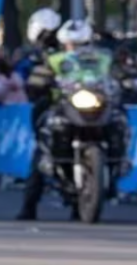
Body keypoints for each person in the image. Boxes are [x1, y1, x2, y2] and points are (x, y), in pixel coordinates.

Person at [16, 18, 125, 220]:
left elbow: (119, 73)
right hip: (65, 105)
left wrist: (126, 81)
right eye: (71, 44)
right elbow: (38, 79)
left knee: (120, 120)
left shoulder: (104, 59)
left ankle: (118, 163)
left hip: (99, 103)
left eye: (80, 44)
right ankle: (28, 206)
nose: (75, 48)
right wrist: (40, 83)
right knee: (43, 143)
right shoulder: (56, 59)